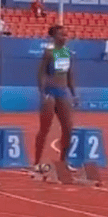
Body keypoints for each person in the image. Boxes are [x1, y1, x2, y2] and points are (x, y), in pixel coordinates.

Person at [34, 25, 78, 168]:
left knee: (68, 128)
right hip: (50, 91)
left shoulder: (68, 52)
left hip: (63, 91)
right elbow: (41, 73)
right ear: (54, 37)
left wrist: (74, 94)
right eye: (61, 35)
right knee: (45, 128)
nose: (64, 37)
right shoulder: (49, 52)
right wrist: (42, 92)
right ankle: (37, 161)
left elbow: (70, 74)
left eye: (66, 35)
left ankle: (63, 161)